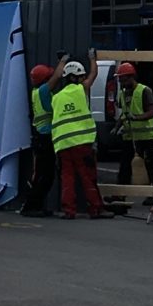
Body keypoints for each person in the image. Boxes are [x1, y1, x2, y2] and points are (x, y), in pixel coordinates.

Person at [47, 60, 106, 219]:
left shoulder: (56, 97)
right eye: (81, 76)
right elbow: (94, 74)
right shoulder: (81, 89)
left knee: (67, 177)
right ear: (74, 77)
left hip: (63, 144)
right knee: (87, 176)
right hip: (81, 143)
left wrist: (62, 61)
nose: (83, 79)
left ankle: (69, 211)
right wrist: (92, 58)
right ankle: (95, 209)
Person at [111, 61, 153, 186]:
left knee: (149, 165)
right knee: (125, 166)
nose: (121, 83)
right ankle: (121, 192)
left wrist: (136, 118)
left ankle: (152, 191)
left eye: (122, 80)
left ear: (131, 77)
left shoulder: (144, 91)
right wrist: (116, 127)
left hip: (145, 137)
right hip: (129, 137)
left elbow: (151, 113)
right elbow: (124, 114)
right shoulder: (122, 93)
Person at [21, 63, 57, 216]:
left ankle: (36, 206)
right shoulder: (43, 91)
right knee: (43, 175)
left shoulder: (36, 92)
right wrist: (63, 61)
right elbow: (56, 78)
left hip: (42, 138)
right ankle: (31, 207)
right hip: (44, 139)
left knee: (45, 175)